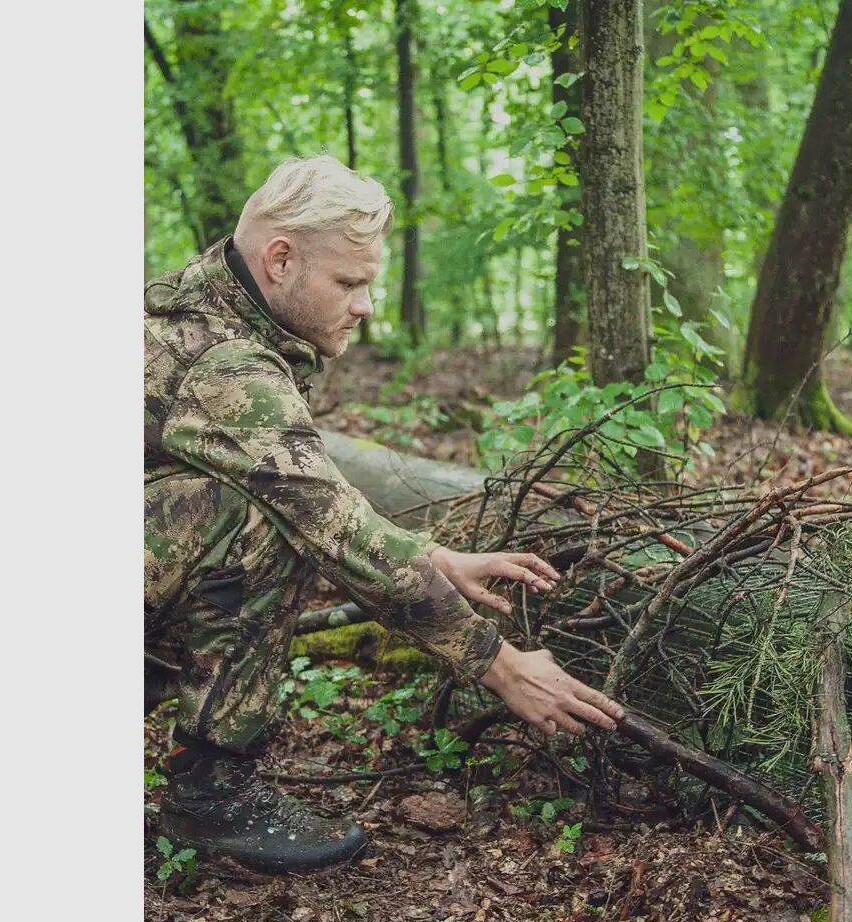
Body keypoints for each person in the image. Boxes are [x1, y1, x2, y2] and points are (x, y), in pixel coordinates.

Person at [145, 155, 624, 874]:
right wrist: (498, 665)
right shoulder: (226, 366)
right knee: (251, 521)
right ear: (279, 260)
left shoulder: (207, 320)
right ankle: (211, 797)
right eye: (350, 283)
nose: (366, 306)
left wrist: (430, 557)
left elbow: (308, 484)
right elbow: (328, 525)